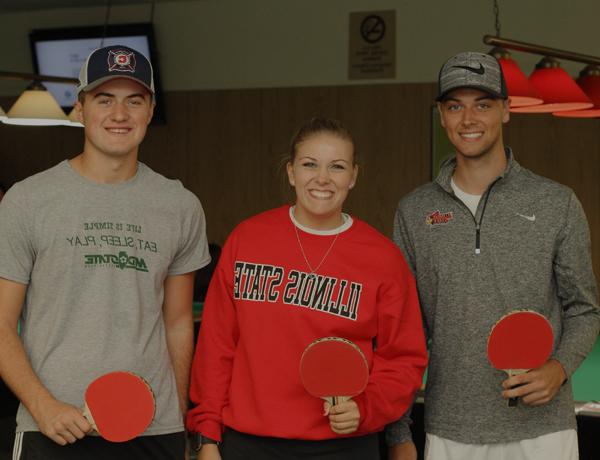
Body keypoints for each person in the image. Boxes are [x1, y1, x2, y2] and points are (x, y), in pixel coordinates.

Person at [0, 45, 210, 459]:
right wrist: (43, 406)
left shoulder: (180, 205)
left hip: (154, 430)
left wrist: (177, 414)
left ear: (150, 111)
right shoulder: (28, 201)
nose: (120, 114)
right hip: (54, 427)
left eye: (134, 101)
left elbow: (179, 324)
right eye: (104, 99)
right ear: (79, 109)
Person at [386, 52, 600, 460]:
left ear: (506, 110)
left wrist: (558, 369)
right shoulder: (413, 212)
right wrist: (398, 433)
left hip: (543, 431)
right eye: (455, 106)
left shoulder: (557, 202)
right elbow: (403, 334)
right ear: (442, 116)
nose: (468, 119)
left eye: (482, 104)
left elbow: (584, 309)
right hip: (451, 430)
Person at [186, 117, 427, 460]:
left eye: (337, 166)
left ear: (354, 176)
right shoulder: (247, 240)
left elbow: (403, 358)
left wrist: (367, 407)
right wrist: (206, 436)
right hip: (249, 443)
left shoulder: (383, 258)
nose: (323, 178)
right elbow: (217, 346)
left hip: (344, 446)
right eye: (310, 164)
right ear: (291, 172)